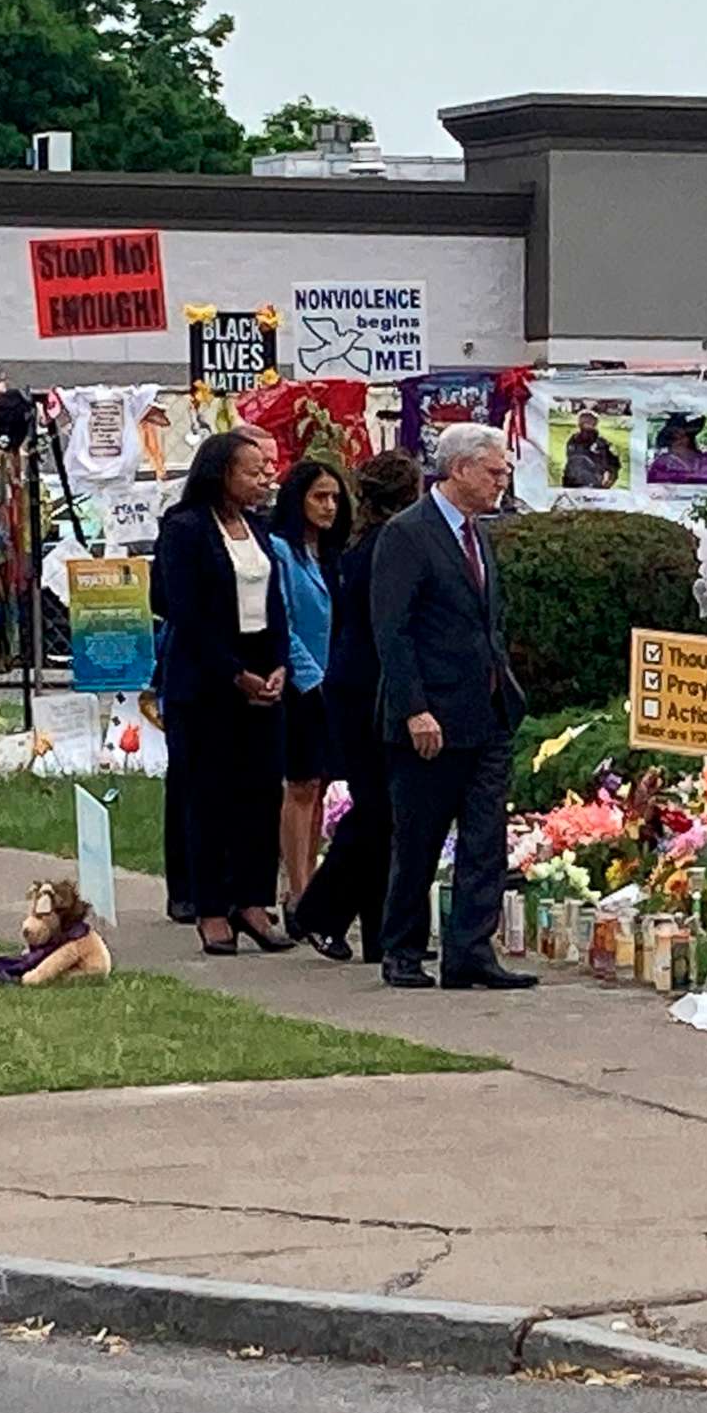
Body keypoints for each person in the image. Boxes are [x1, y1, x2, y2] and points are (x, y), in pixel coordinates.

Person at [372, 423, 536, 992]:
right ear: (460, 469)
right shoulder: (408, 534)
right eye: (494, 471)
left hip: (486, 711)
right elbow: (393, 631)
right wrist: (414, 707)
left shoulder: (477, 533)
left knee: (486, 836)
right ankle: (403, 949)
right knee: (419, 837)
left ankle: (470, 950)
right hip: (432, 715)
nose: (501, 482)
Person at [150, 432, 294, 957]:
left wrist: (277, 663)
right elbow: (186, 613)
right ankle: (211, 908)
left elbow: (274, 602)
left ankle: (252, 902)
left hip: (263, 671)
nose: (263, 479)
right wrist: (235, 674)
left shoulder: (258, 528)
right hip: (208, 680)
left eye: (264, 470)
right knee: (210, 797)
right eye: (252, 471)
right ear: (221, 473)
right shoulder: (184, 529)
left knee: (261, 794)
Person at [289, 451, 421, 965]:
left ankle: (379, 929)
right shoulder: (390, 543)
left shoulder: (365, 542)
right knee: (378, 810)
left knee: (383, 813)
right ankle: (319, 909)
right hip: (366, 689)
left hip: (356, 684)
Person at [269, 460, 349, 908]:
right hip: (302, 684)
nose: (329, 506)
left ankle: (311, 880)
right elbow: (285, 619)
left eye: (335, 497)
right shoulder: (280, 550)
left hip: (333, 682)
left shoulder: (333, 554)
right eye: (319, 497)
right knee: (299, 785)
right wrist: (310, 677)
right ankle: (296, 890)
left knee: (320, 785)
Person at [645, 414, 707, 484]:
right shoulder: (661, 465)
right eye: (672, 437)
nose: (677, 440)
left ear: (689, 437)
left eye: (681, 435)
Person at [559, 411, 621, 489]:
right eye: (584, 422)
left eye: (590, 422)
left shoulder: (602, 443)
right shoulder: (573, 441)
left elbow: (614, 464)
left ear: (595, 424)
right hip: (572, 483)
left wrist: (609, 475)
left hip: (595, 484)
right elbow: (571, 461)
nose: (587, 425)